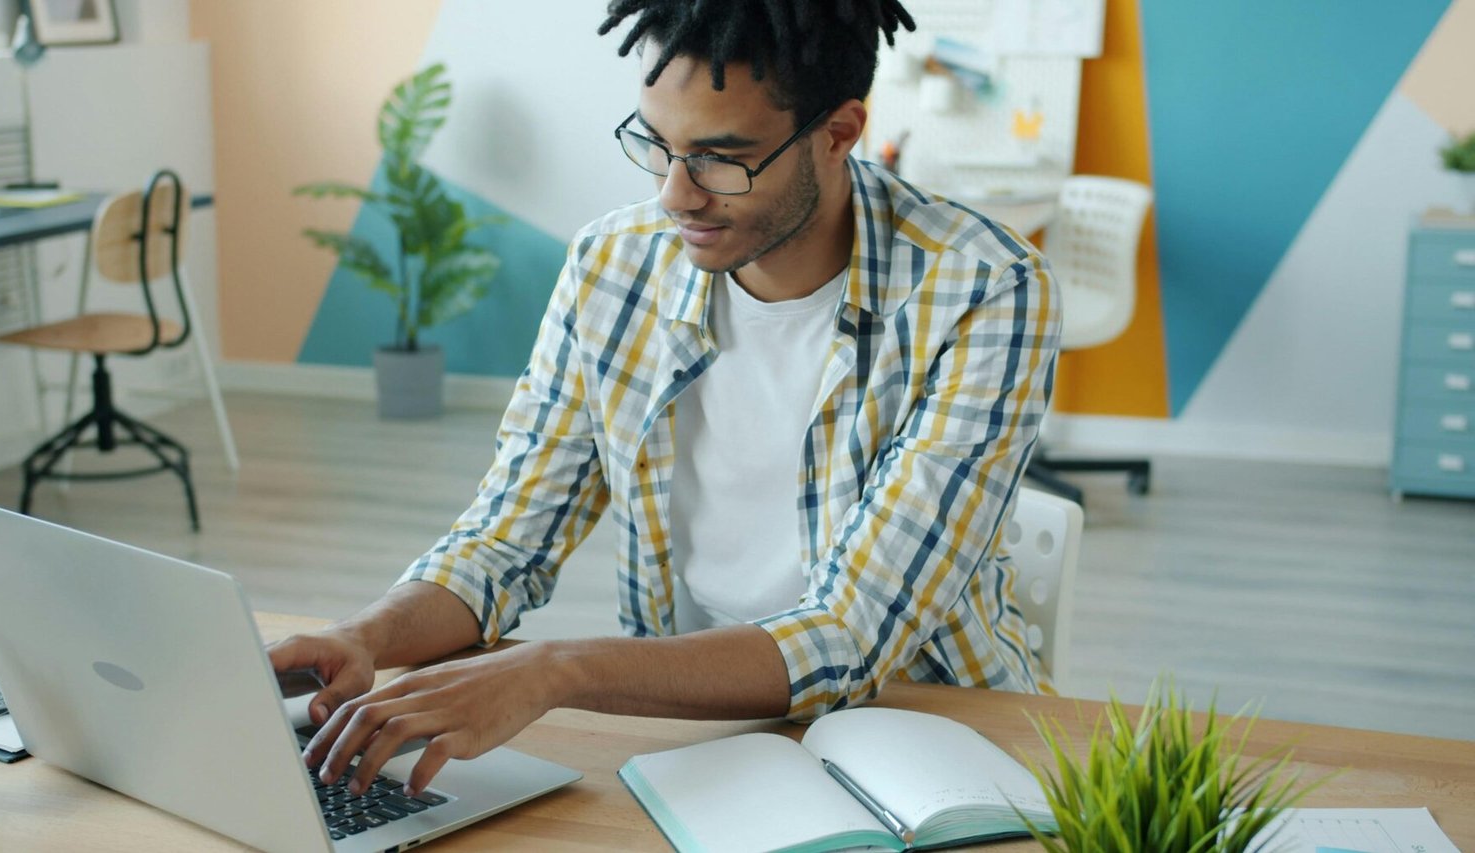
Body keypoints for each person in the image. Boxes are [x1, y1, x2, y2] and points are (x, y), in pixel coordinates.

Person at [272, 0, 1061, 799]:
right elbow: (503, 543)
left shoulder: (983, 289)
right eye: (659, 145)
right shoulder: (613, 266)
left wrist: (550, 670)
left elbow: (849, 636)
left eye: (722, 159)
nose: (676, 196)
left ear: (840, 131)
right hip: (693, 723)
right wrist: (364, 634)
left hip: (926, 735)